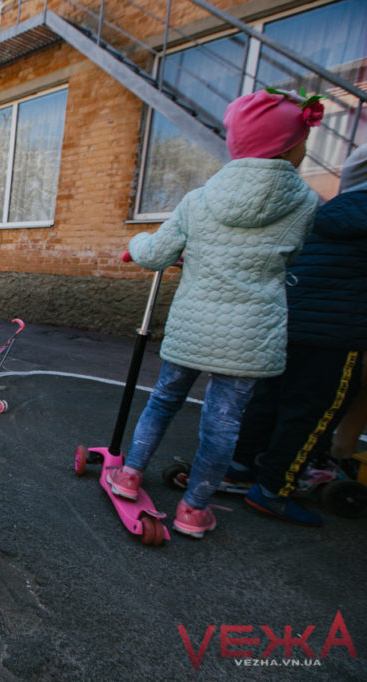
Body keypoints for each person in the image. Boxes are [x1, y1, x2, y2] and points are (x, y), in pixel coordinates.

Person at [106, 88, 323, 539]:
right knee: (224, 421)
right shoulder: (305, 202)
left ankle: (129, 474)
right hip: (251, 332)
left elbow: (156, 253)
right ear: (289, 147)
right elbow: (290, 254)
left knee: (164, 399)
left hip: (194, 324)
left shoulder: (200, 199)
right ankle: (194, 509)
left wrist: (135, 244)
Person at [231, 144, 367, 525]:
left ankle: (240, 465)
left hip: (289, 322)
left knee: (269, 398)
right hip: (336, 334)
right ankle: (274, 488)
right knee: (311, 413)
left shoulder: (324, 212)